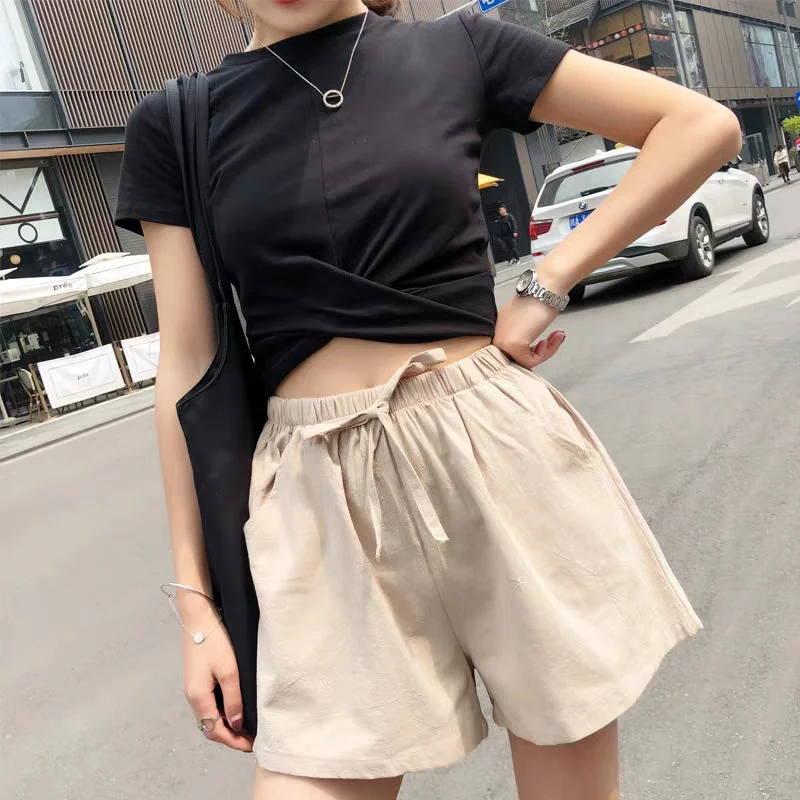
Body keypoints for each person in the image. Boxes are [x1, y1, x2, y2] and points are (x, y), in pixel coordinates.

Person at [116, 0, 741, 796]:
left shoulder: (460, 47)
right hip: (316, 493)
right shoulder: (178, 123)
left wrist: (549, 282)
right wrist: (196, 602)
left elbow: (699, 125)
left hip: (493, 453)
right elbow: (186, 364)